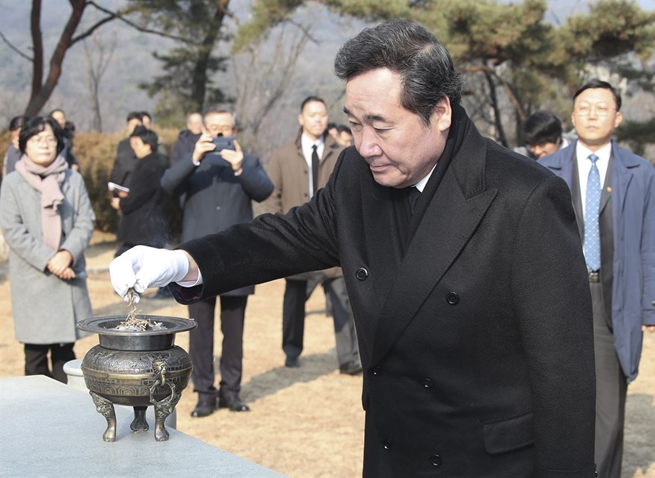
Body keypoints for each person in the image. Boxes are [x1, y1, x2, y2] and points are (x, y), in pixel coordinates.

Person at [110, 20, 597, 476]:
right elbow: (282, 236)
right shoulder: (356, 177)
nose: (364, 145)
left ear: (441, 111)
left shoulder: (523, 198)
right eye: (355, 123)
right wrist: (181, 261)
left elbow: (564, 379)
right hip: (390, 447)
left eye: (381, 126)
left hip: (485, 461)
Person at [539, 80, 655, 478]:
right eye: (584, 107)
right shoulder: (544, 170)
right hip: (556, 297)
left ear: (618, 117)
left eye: (602, 108)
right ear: (572, 116)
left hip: (613, 296)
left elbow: (653, 242)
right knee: (555, 397)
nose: (592, 114)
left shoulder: (639, 172)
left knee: (608, 408)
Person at [160, 108, 274, 417]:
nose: (221, 134)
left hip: (239, 255)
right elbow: (168, 185)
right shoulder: (193, 164)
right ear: (203, 131)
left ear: (236, 130)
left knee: (234, 328)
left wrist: (240, 168)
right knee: (200, 329)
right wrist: (194, 157)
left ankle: (232, 391)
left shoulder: (247, 161)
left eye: (226, 128)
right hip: (198, 258)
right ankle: (204, 393)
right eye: (214, 129)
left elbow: (265, 190)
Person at [265, 96, 361, 374]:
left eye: (322, 114)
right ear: (301, 119)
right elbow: (272, 197)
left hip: (335, 239)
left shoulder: (343, 152)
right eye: (312, 115)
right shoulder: (283, 154)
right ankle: (292, 351)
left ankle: (349, 358)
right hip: (297, 238)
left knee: (343, 300)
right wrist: (277, 231)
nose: (318, 119)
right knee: (294, 299)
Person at [0, 116, 95, 383]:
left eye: (50, 139)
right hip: (34, 278)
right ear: (24, 144)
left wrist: (66, 254)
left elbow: (85, 220)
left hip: (67, 272)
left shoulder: (73, 179)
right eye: (37, 139)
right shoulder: (12, 183)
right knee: (35, 356)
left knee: (65, 354)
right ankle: (36, 419)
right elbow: (12, 229)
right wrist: (49, 259)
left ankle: (66, 417)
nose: (44, 144)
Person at [109, 125, 169, 257]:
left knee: (126, 259)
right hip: (146, 224)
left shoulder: (150, 166)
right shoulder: (152, 162)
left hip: (144, 225)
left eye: (138, 144)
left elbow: (141, 194)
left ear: (148, 146)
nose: (134, 147)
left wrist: (122, 203)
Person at [109, 111, 144, 192]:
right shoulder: (123, 144)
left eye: (137, 124)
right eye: (131, 125)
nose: (134, 127)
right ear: (127, 126)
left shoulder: (148, 142)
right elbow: (119, 167)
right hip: (126, 186)